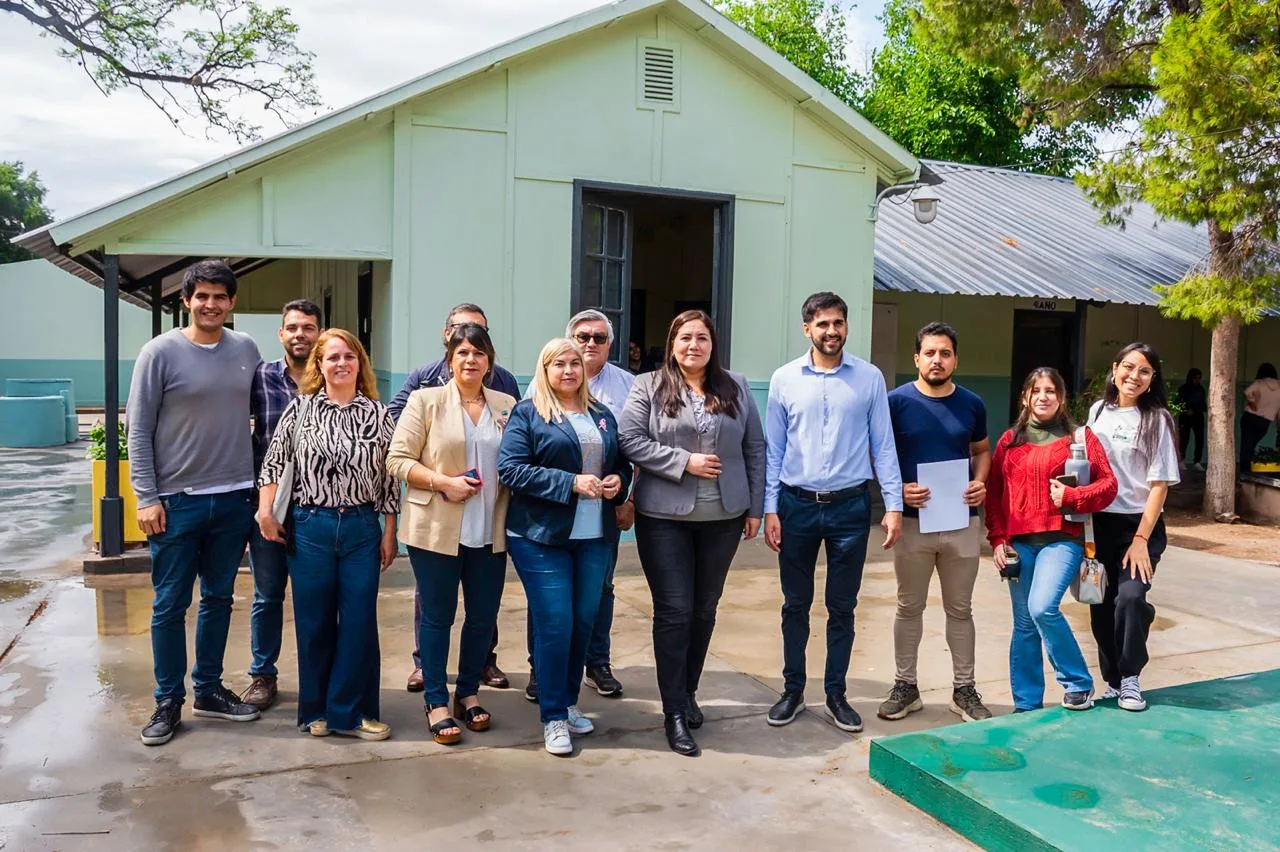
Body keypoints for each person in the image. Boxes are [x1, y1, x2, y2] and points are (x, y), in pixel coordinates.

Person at [129, 259, 264, 746]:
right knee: (169, 605)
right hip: (176, 501)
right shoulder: (159, 353)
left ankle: (208, 689)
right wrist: (146, 497)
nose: (211, 305)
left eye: (220, 297)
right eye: (201, 296)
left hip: (233, 498)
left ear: (231, 303)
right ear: (186, 301)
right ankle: (168, 700)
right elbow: (138, 429)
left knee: (220, 598)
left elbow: (262, 412)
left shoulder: (246, 348)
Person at [618, 309, 765, 756]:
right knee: (675, 611)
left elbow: (754, 446)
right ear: (672, 342)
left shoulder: (735, 386)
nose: (693, 346)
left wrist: (756, 506)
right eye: (685, 338)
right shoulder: (647, 385)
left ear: (712, 345)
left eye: (702, 338)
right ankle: (673, 713)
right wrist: (684, 462)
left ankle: (688, 692)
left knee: (704, 609)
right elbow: (630, 439)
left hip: (723, 516)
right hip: (664, 517)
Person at [763, 291, 903, 734]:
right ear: (807, 329)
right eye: (822, 324)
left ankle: (836, 694)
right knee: (795, 604)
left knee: (842, 606)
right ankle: (792, 690)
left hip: (850, 508)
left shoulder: (869, 378)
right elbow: (774, 451)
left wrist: (894, 505)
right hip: (796, 505)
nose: (831, 331)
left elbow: (883, 445)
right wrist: (770, 509)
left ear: (846, 326)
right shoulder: (785, 379)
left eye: (838, 323)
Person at [257, 329, 400, 741]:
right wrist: (266, 511)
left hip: (361, 528)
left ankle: (352, 714)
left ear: (360, 363)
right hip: (310, 526)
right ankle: (314, 712)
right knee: (314, 623)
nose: (341, 364)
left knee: (358, 622)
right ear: (319, 365)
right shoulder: (300, 411)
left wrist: (389, 532)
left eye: (348, 356)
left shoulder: (378, 413)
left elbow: (390, 481)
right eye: (332, 357)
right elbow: (274, 464)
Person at [497, 338, 632, 756]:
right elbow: (510, 469)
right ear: (545, 369)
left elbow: (620, 463)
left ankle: (569, 702)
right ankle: (553, 716)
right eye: (560, 364)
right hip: (541, 536)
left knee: (582, 621)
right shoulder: (529, 412)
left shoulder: (602, 415)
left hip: (594, 536)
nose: (570, 370)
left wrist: (618, 483)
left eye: (575, 362)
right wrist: (570, 483)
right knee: (555, 622)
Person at [386, 323, 516, 744]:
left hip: (489, 530)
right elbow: (397, 460)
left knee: (482, 617)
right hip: (436, 528)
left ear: (489, 361)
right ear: (450, 359)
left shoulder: (507, 405)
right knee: (438, 617)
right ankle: (436, 701)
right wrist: (444, 482)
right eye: (462, 353)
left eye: (478, 353)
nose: (470, 360)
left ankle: (468, 694)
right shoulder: (426, 402)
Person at [985, 367, 1117, 712]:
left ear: (1061, 398)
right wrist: (998, 540)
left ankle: (1078, 682)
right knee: (1025, 623)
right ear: (1025, 397)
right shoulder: (1009, 441)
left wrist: (1074, 497)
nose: (1043, 397)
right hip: (1018, 544)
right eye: (1035, 390)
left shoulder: (1080, 438)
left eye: (1051, 391)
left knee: (1042, 607)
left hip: (1062, 540)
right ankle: (1027, 703)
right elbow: (994, 495)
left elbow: (1108, 486)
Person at [880, 322, 992, 724]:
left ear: (955, 359)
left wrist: (980, 482)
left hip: (960, 522)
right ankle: (905, 687)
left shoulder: (972, 404)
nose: (937, 360)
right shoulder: (895, 402)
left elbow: (981, 451)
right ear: (916, 358)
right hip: (912, 524)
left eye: (945, 353)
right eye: (930, 352)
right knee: (909, 607)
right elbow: (880, 456)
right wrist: (897, 493)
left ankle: (965, 690)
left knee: (960, 609)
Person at [523, 310, 636, 703]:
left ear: (610, 343)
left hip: (599, 522)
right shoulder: (533, 402)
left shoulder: (625, 390)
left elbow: (628, 453)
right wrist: (570, 483)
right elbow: (516, 464)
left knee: (597, 595)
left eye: (599, 338)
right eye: (581, 338)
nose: (589, 345)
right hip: (548, 527)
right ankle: (543, 675)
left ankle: (595, 664)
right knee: (551, 609)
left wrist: (623, 490)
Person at [1087, 343, 1180, 712]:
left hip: (1137, 525)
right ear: (1114, 369)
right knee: (1100, 603)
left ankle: (1129, 678)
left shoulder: (1157, 419)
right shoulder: (1098, 411)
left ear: (1152, 378)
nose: (1134, 376)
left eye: (1143, 371)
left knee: (1130, 597)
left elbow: (1159, 485)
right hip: (1098, 522)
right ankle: (1110, 681)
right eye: (1128, 367)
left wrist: (1141, 538)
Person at [243, 298, 322, 711]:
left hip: (318, 508)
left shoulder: (332, 377)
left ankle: (319, 677)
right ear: (281, 334)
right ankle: (262, 675)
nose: (300, 335)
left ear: (318, 333)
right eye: (292, 328)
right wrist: (259, 507)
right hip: (271, 505)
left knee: (317, 597)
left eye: (308, 328)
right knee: (268, 594)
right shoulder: (261, 378)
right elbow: (246, 439)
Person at [1240, 362, 1280, 470]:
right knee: (1251, 446)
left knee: (1246, 447)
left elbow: (1247, 392)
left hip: (1249, 418)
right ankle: (1248, 472)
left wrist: (1252, 403)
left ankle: (1244, 474)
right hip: (1265, 422)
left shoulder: (1259, 382)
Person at [1175, 368, 1206, 471]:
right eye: (1195, 378)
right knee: (1184, 438)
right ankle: (1181, 461)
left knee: (1199, 439)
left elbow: (1203, 404)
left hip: (1198, 416)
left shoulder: (1201, 389)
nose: (1197, 380)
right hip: (1185, 416)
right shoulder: (1183, 389)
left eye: (1199, 378)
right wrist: (1185, 410)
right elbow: (1178, 402)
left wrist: (1197, 410)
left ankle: (1197, 461)